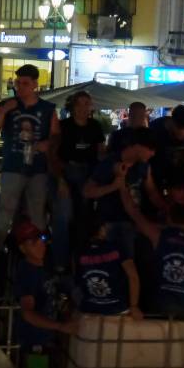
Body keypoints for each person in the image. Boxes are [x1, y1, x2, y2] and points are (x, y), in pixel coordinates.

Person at [0, 64, 60, 244]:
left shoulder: (48, 109)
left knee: (37, 212)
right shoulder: (8, 106)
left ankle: (38, 250)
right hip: (12, 166)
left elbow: (57, 138)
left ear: (35, 84)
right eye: (18, 83)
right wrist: (3, 111)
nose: (20, 87)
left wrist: (46, 144)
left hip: (38, 169)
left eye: (25, 83)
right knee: (6, 211)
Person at [119, 179, 184, 317]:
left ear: (169, 218)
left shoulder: (158, 236)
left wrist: (121, 185)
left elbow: (134, 213)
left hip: (162, 305)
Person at [84, 128, 161, 259]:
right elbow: (87, 191)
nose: (152, 154)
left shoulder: (144, 166)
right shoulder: (109, 164)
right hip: (113, 222)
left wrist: (167, 207)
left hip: (135, 221)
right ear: (137, 146)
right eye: (150, 149)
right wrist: (113, 187)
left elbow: (152, 192)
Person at [53, 90, 105, 268]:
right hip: (67, 171)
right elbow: (53, 154)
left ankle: (82, 260)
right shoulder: (63, 126)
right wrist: (60, 179)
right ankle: (61, 261)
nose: (83, 108)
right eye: (80, 104)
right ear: (73, 107)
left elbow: (100, 152)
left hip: (88, 173)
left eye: (86, 104)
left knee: (84, 217)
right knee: (63, 216)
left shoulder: (95, 126)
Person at [12, 221, 76, 352]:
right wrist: (59, 326)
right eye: (32, 242)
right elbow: (27, 313)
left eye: (41, 239)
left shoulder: (46, 267)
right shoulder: (26, 272)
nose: (39, 244)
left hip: (48, 337)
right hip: (34, 341)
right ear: (22, 248)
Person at [74, 219, 141, 318]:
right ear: (101, 229)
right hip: (118, 310)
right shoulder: (117, 248)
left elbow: (78, 282)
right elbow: (133, 276)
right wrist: (134, 306)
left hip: (90, 311)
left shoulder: (78, 253)